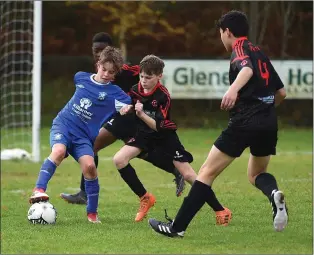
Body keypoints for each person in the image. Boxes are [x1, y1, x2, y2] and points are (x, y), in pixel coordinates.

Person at [148, 10, 288, 238]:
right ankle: (274, 194)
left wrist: (232, 90)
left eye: (221, 33)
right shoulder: (259, 52)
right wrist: (266, 112)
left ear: (227, 32)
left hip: (244, 120)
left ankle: (177, 228)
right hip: (268, 121)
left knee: (206, 173)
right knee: (257, 174)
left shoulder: (240, 49)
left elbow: (247, 69)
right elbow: (281, 92)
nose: (221, 38)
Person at [60, 33, 185, 205]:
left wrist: (151, 97)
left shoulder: (124, 70)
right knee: (138, 151)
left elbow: (146, 73)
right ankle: (174, 169)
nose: (98, 53)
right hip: (119, 116)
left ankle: (85, 193)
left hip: (127, 115)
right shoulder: (100, 70)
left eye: (102, 50)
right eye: (95, 50)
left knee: (93, 145)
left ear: (111, 51)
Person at [29, 46, 131, 224]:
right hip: (64, 125)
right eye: (103, 69)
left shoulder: (117, 95)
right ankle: (39, 189)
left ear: (116, 73)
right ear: (97, 64)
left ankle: (92, 214)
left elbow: (126, 107)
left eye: (111, 72)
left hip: (84, 137)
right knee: (59, 151)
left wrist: (125, 110)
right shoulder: (81, 77)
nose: (106, 74)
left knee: (90, 167)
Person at [113, 54, 198, 222]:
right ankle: (145, 197)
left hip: (164, 137)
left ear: (159, 76)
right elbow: (132, 104)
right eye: (142, 76)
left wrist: (141, 113)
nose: (143, 80)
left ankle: (219, 208)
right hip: (144, 136)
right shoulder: (135, 89)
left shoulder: (163, 96)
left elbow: (159, 126)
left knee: (188, 175)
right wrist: (127, 108)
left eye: (148, 77)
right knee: (119, 159)